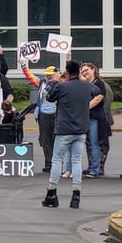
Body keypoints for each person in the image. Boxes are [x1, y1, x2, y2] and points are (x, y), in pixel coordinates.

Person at [41, 64, 96, 210]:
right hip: (81, 129)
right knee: (76, 160)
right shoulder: (86, 86)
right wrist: (84, 79)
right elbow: (96, 91)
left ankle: (52, 193)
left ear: (67, 72)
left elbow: (50, 98)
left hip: (64, 129)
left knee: (57, 159)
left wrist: (58, 81)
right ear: (78, 72)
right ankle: (76, 195)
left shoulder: (62, 86)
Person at [79, 63, 108, 178]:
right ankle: (91, 166)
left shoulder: (99, 83)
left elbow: (99, 98)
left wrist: (83, 108)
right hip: (85, 118)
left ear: (93, 70)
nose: (84, 73)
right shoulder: (84, 84)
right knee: (87, 143)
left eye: (86, 70)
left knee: (94, 143)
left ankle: (95, 170)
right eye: (82, 71)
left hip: (95, 117)